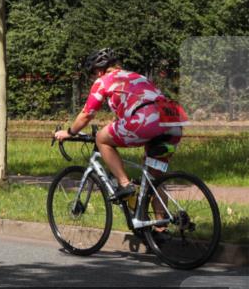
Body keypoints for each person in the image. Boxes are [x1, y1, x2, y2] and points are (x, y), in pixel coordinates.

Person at [54, 48, 188, 201]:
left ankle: (125, 184)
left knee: (101, 138)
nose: (93, 77)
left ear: (98, 71)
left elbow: (86, 114)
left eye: (92, 74)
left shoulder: (104, 80)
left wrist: (69, 132)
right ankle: (159, 224)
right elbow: (133, 108)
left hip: (147, 120)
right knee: (154, 182)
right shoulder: (136, 76)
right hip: (173, 120)